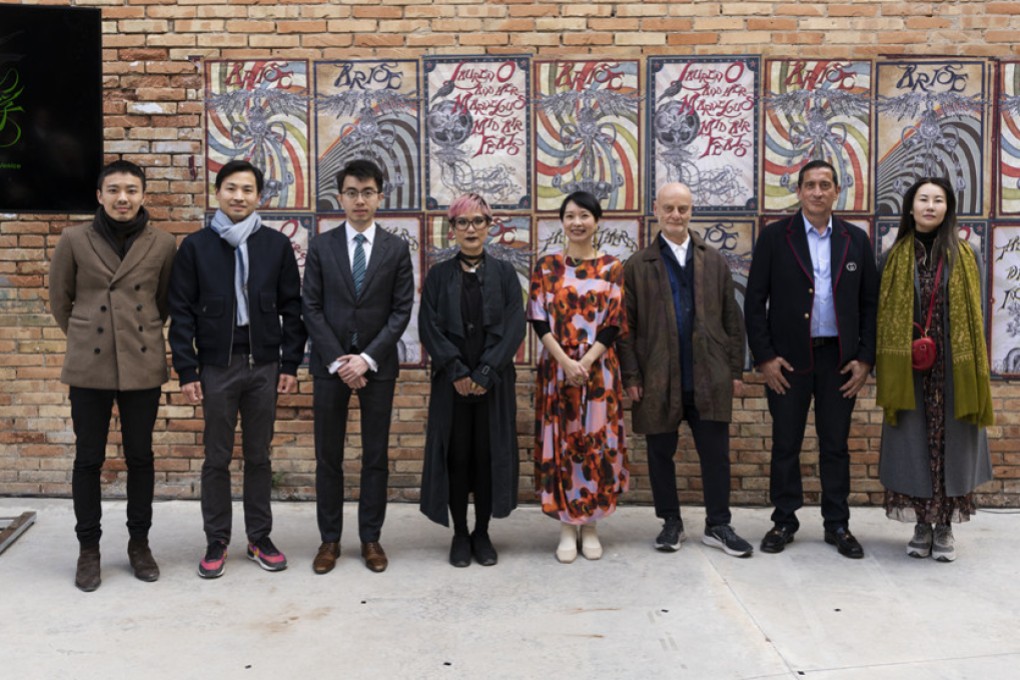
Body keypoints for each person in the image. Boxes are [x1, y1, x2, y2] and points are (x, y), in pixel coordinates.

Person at [168, 160, 305, 579]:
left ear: (259, 197)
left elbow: (292, 309)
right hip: (217, 366)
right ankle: (217, 539)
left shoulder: (274, 245)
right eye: (231, 188)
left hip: (263, 364)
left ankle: (259, 537)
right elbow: (182, 312)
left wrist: (290, 362)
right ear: (217, 193)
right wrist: (188, 370)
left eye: (248, 189)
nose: (239, 196)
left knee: (259, 456)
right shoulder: (196, 247)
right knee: (217, 458)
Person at [49, 160, 176, 592]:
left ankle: (139, 545)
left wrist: (133, 335)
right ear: (99, 195)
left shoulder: (163, 243)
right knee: (88, 459)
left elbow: (162, 301)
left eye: (132, 190)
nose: (124, 198)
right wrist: (86, 338)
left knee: (141, 457)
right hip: (90, 365)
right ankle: (89, 550)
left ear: (143, 195)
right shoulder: (74, 239)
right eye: (115, 190)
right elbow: (60, 300)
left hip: (142, 364)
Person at [744, 159, 878, 559]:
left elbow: (870, 304)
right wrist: (765, 357)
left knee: (835, 445)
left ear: (837, 191)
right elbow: (754, 302)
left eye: (825, 185)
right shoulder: (774, 238)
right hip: (788, 361)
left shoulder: (856, 240)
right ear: (799, 191)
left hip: (839, 361)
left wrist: (865, 359)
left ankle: (837, 523)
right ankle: (784, 519)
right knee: (786, 443)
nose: (817, 192)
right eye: (810, 185)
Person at [618, 182, 753, 558]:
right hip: (658, 377)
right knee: (661, 454)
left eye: (683, 208)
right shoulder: (638, 265)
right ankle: (671, 522)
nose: (676, 215)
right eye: (669, 208)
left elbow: (731, 316)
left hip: (708, 376)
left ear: (692, 211)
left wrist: (735, 371)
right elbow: (625, 327)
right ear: (656, 210)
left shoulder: (713, 260)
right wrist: (631, 376)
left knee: (716, 454)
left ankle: (718, 524)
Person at [303, 159, 414, 574]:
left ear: (380, 197)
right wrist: (339, 360)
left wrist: (366, 359)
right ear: (340, 197)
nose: (360, 200)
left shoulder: (396, 248)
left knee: (375, 456)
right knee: (327, 457)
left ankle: (371, 538)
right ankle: (329, 540)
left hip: (377, 367)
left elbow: (401, 310)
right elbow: (311, 307)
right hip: (330, 367)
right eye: (352, 192)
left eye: (368, 192)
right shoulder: (321, 245)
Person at [875, 177, 993, 562]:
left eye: (938, 200)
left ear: (948, 208)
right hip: (909, 367)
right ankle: (921, 524)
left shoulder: (965, 254)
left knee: (948, 445)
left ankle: (944, 528)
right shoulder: (892, 257)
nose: (930, 206)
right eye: (923, 199)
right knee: (916, 445)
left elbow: (974, 315)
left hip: (953, 368)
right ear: (910, 207)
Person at [418, 193, 526, 567]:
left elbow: (514, 325)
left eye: (478, 221)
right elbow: (428, 327)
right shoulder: (438, 276)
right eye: (462, 222)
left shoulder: (505, 274)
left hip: (493, 385)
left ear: (489, 227)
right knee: (456, 458)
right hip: (452, 386)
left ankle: (482, 532)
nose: (470, 229)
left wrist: (485, 372)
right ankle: (460, 534)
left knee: (487, 457)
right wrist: (458, 371)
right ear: (452, 230)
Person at [528, 191, 629, 564]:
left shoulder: (612, 268)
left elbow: (614, 324)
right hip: (558, 371)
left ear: (597, 221)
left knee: (596, 445)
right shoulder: (547, 267)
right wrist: (566, 364)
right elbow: (538, 319)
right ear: (562, 221)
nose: (577, 222)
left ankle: (592, 525)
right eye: (570, 215)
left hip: (598, 373)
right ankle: (567, 526)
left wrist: (584, 363)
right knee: (562, 443)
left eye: (584, 215)